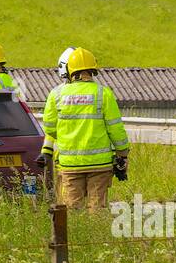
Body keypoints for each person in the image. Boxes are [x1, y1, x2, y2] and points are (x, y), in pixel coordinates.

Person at [38, 47, 128, 213]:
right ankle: (97, 236)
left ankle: (75, 236)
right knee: (97, 209)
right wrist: (122, 155)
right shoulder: (104, 94)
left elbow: (50, 128)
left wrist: (67, 136)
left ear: (70, 70)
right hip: (99, 165)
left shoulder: (56, 95)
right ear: (93, 70)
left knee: (72, 210)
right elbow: (116, 130)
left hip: (70, 165)